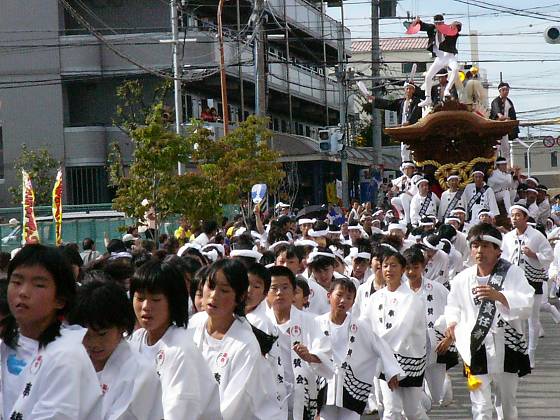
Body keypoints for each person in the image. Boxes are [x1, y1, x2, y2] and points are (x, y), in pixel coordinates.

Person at [0, 244, 102, 419]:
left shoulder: (66, 356)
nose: (23, 292)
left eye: (39, 285)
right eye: (16, 282)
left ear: (60, 300)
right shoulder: (8, 341)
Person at [444, 223, 534, 420]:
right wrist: (452, 322)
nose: (479, 251)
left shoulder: (512, 273)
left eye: (485, 246)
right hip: (475, 346)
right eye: (475, 246)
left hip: (507, 345)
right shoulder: (462, 279)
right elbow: (453, 306)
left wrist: (500, 296)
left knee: (507, 403)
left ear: (497, 250)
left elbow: (527, 301)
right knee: (480, 406)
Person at [189, 259, 284, 419]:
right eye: (210, 286)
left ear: (240, 297)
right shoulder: (194, 324)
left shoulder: (246, 346)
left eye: (224, 290)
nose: (214, 295)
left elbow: (232, 408)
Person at [128, 259, 222, 420]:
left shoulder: (180, 350)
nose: (145, 306)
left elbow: (180, 411)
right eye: (140, 298)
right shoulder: (135, 340)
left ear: (173, 302)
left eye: (155, 299)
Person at [70, 280, 164, 420]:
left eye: (102, 334)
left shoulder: (140, 373)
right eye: (85, 335)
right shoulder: (71, 360)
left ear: (122, 326)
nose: (93, 343)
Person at [317, 277, 399, 420]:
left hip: (352, 386)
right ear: (329, 296)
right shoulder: (317, 323)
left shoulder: (361, 326)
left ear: (353, 302)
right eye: (339, 295)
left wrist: (391, 371)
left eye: (348, 297)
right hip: (327, 384)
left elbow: (380, 346)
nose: (343, 300)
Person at [363, 249, 429, 419]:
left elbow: (401, 330)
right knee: (391, 409)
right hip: (384, 358)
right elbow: (365, 325)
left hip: (409, 360)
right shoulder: (375, 297)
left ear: (402, 269)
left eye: (394, 266)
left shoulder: (412, 299)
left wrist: (387, 362)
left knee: (412, 411)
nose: (389, 270)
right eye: (385, 265)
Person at [266, 266, 333, 420]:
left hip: (303, 394)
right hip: (270, 395)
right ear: (266, 293)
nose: (279, 293)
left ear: (294, 292)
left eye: (285, 288)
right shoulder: (259, 323)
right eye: (274, 288)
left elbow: (326, 353)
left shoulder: (311, 321)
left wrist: (311, 356)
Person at [403, 246, 457, 407]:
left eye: (415, 267)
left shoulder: (438, 289)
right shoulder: (398, 291)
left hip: (434, 346)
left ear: (423, 266)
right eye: (407, 268)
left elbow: (454, 313)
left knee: (439, 394)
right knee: (414, 395)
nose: (411, 272)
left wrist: (449, 338)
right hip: (407, 350)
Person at [501, 205, 553, 368]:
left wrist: (534, 255)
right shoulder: (508, 237)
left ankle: (531, 353)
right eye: (512, 216)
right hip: (514, 281)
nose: (514, 219)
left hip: (532, 280)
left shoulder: (536, 236)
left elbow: (549, 255)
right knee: (517, 317)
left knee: (533, 318)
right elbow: (503, 257)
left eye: (518, 215)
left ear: (525, 217)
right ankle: (521, 350)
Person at [414, 14, 462, 108]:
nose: (438, 25)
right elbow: (423, 26)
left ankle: (447, 89)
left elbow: (458, 26)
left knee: (455, 69)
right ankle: (428, 98)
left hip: (449, 55)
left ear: (443, 22)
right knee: (428, 76)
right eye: (437, 23)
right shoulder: (432, 28)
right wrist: (417, 22)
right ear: (434, 23)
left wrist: (454, 24)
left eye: (440, 23)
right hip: (439, 58)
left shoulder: (450, 29)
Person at [368, 81, 422, 162]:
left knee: (413, 146)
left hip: (412, 128)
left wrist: (409, 121)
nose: (408, 91)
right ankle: (405, 164)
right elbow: (389, 104)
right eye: (407, 89)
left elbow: (415, 112)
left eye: (410, 89)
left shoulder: (416, 101)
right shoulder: (401, 102)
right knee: (404, 146)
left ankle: (415, 164)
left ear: (413, 91)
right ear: (404, 90)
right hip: (403, 128)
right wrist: (375, 99)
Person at [490, 82, 520, 165]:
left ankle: (507, 167)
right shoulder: (495, 102)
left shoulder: (509, 102)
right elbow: (499, 116)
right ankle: (493, 166)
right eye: (504, 90)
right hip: (496, 129)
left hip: (505, 129)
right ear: (500, 91)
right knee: (496, 148)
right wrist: (506, 118)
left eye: (507, 90)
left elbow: (512, 116)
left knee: (506, 148)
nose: (506, 91)